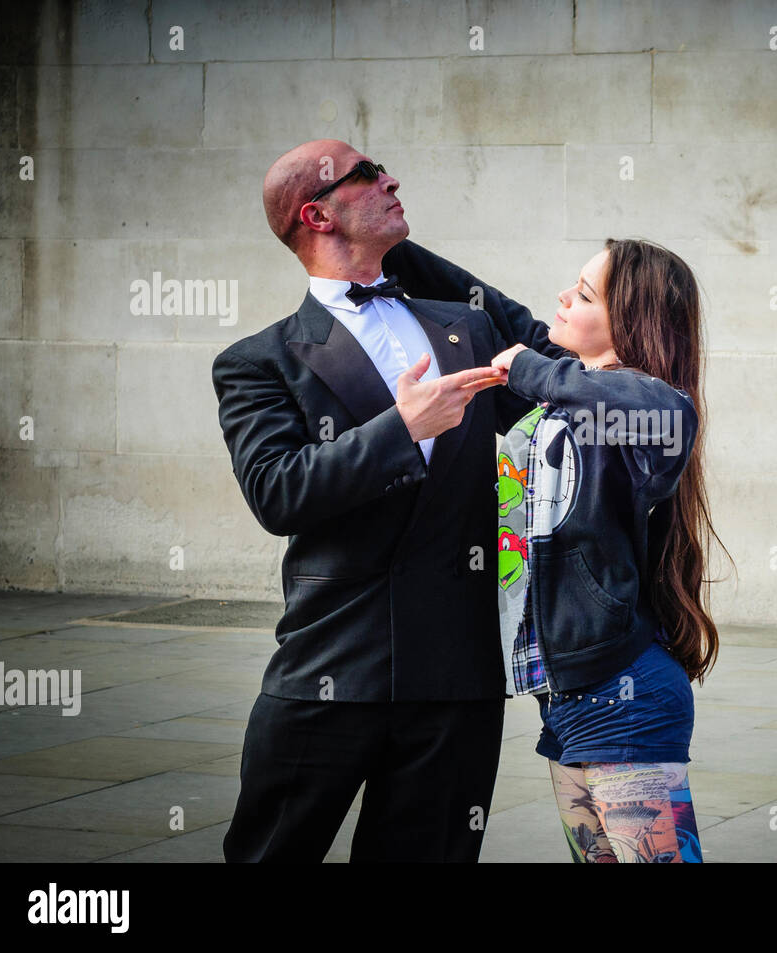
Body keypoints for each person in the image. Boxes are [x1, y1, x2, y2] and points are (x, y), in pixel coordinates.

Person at [212, 139, 543, 861]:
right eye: (364, 174)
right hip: (332, 667)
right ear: (316, 214)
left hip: (457, 677)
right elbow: (278, 490)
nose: (390, 177)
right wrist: (404, 428)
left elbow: (558, 368)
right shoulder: (258, 361)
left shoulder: (471, 326)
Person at [395, 238, 723, 862]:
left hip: (623, 690)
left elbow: (628, 400)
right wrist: (391, 248)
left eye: (585, 292)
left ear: (632, 316)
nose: (563, 299)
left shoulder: (651, 410)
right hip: (565, 695)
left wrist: (529, 368)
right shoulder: (566, 389)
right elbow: (487, 305)